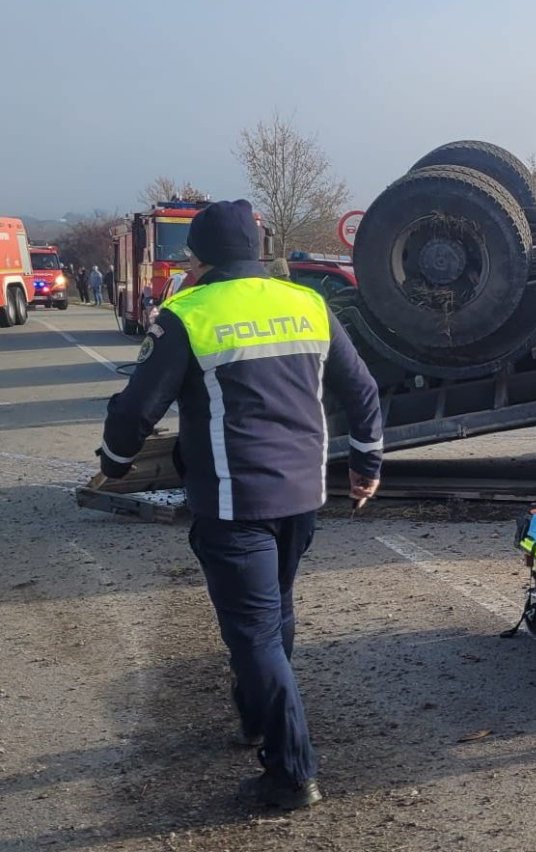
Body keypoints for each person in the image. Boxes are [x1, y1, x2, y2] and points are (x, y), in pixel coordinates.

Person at [97, 200, 384, 810]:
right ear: (256, 251)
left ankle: (291, 772)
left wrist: (114, 463)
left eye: (190, 258)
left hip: (234, 500)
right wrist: (367, 465)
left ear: (200, 259)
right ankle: (257, 717)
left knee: (254, 634)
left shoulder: (188, 314)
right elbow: (362, 389)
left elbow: (136, 409)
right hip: (302, 495)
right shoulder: (308, 303)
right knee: (275, 612)